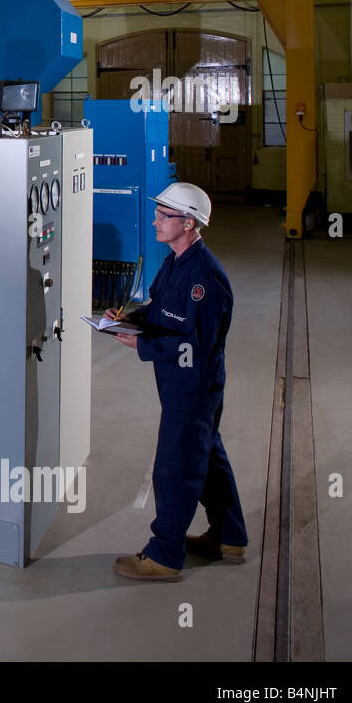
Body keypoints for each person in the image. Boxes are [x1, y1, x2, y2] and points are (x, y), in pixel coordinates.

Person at [104, 182, 248, 582]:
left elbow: (195, 347)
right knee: (208, 458)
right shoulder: (175, 262)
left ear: (188, 223)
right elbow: (162, 308)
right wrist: (131, 318)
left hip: (193, 385)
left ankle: (165, 556)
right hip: (175, 383)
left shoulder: (206, 278)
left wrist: (142, 345)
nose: (155, 221)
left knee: (175, 467)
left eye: (164, 216)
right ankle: (228, 536)